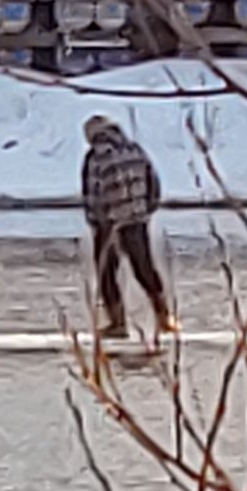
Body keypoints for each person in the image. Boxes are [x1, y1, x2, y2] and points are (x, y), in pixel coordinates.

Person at [81, 115, 177, 338]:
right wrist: (147, 209)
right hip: (137, 218)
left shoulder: (95, 157)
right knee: (144, 267)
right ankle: (164, 315)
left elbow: (93, 192)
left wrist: (96, 220)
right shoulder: (134, 150)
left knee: (106, 272)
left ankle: (118, 322)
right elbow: (153, 180)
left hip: (109, 222)